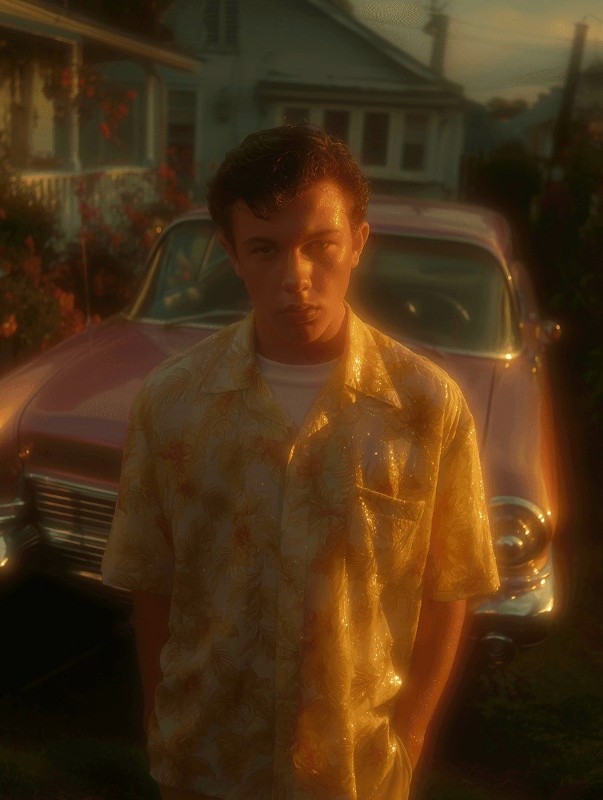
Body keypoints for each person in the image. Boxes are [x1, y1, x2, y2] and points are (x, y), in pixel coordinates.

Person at [101, 124, 499, 800]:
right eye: (265, 248)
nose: (296, 279)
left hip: (353, 772)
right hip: (206, 761)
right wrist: (159, 719)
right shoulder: (170, 403)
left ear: (358, 242)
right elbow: (151, 577)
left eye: (320, 245)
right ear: (231, 252)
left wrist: (411, 735)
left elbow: (449, 584)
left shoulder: (428, 408)